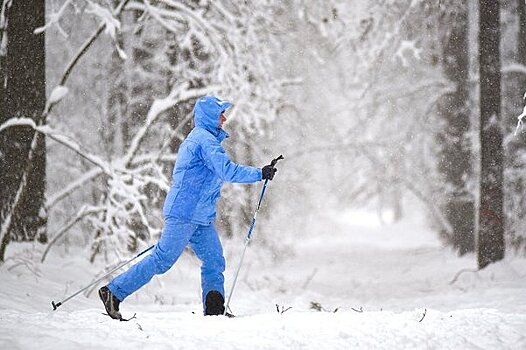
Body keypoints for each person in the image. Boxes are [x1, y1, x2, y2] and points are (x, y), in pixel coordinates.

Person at [98, 96, 277, 319]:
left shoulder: (205, 139)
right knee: (162, 259)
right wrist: (259, 173)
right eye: (220, 113)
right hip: (184, 213)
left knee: (214, 260)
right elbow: (226, 170)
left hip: (200, 217)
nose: (224, 118)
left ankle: (214, 310)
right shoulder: (203, 141)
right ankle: (113, 292)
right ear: (210, 117)